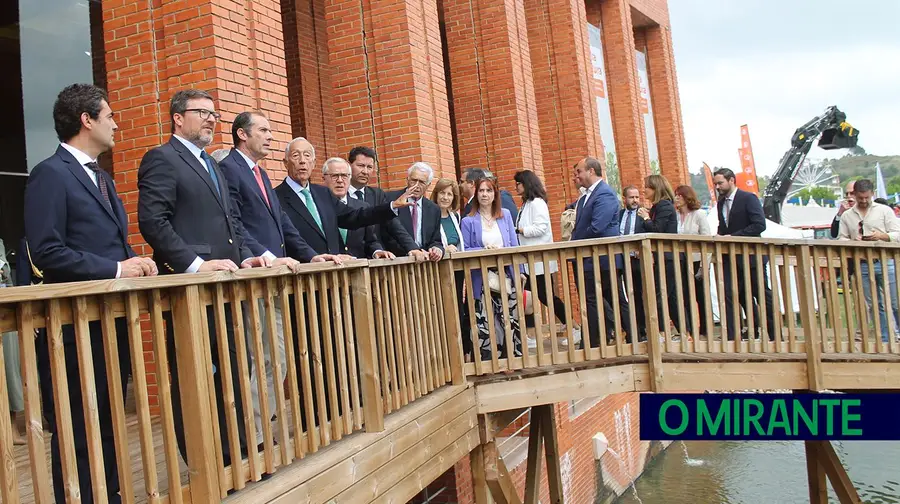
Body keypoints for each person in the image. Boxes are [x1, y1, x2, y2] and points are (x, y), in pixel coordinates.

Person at [25, 83, 158, 503]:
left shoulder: (101, 177)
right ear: (86, 120)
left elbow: (109, 244)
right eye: (110, 115)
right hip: (71, 326)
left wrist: (136, 259)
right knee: (78, 422)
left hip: (109, 319)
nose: (117, 124)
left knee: (109, 417)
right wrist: (118, 267)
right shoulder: (50, 173)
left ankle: (110, 494)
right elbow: (47, 251)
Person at [137, 88, 269, 468]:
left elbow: (232, 223)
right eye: (202, 112)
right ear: (178, 118)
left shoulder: (213, 164)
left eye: (214, 114)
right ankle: (201, 458)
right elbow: (153, 222)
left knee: (231, 370)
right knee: (193, 375)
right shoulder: (162, 158)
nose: (212, 119)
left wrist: (247, 257)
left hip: (225, 287)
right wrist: (194, 265)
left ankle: (235, 450)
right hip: (190, 288)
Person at [217, 111, 340, 449]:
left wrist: (311, 254)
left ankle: (258, 428)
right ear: (243, 135)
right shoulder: (229, 169)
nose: (270, 136)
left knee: (278, 358)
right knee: (264, 357)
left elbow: (283, 225)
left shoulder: (259, 173)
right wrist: (268, 257)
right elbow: (236, 225)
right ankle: (252, 436)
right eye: (264, 130)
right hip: (255, 277)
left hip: (276, 278)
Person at [274, 139, 412, 257]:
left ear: (314, 163)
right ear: (285, 163)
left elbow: (353, 216)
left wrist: (392, 206)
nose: (302, 161)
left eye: (307, 155)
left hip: (336, 275)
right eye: (296, 155)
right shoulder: (275, 197)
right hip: (302, 277)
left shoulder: (322, 193)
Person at [570, 156, 632, 346]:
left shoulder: (604, 193)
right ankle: (596, 339)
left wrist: (575, 242)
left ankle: (633, 334)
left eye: (579, 171)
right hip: (589, 258)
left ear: (591, 171)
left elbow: (598, 226)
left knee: (612, 298)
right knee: (594, 299)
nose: (577, 175)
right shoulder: (586, 195)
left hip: (604, 257)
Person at [460, 177, 523, 360]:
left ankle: (510, 361)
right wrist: (483, 250)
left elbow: (514, 244)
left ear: (495, 194)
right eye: (481, 191)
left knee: (509, 320)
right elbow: (465, 248)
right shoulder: (468, 221)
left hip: (506, 274)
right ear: (476, 193)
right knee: (484, 323)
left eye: (489, 190)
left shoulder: (505, 215)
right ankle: (486, 363)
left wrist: (521, 272)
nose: (485, 194)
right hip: (481, 276)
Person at [513, 170, 577, 347]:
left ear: (526, 184)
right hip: (528, 259)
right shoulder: (526, 204)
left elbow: (541, 228)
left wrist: (519, 230)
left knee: (545, 295)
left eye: (518, 183)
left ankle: (572, 326)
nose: (516, 187)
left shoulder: (537, 203)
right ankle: (526, 334)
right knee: (532, 294)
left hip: (538, 259)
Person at [714, 167, 775, 341]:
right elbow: (723, 226)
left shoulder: (748, 198)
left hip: (751, 255)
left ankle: (774, 334)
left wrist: (733, 237)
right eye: (716, 183)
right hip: (729, 257)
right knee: (730, 293)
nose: (718, 187)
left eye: (720, 183)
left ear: (731, 180)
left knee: (761, 293)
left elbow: (759, 225)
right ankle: (733, 336)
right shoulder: (720, 203)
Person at [837, 178, 900, 342]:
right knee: (873, 304)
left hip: (886, 262)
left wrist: (882, 236)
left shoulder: (884, 211)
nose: (864, 201)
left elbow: (898, 233)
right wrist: (852, 242)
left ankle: (898, 333)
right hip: (862, 264)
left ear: (872, 194)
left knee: (894, 302)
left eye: (867, 197)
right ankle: (886, 339)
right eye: (860, 198)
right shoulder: (847, 216)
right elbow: (840, 238)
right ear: (855, 195)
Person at [346, 146, 424, 260]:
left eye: (369, 167)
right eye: (361, 166)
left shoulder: (377, 195)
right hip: (347, 260)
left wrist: (412, 248)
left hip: (376, 260)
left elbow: (393, 224)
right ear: (349, 166)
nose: (365, 171)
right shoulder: (338, 194)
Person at [430, 178, 473, 359]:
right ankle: (445, 354)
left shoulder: (456, 216)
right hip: (437, 270)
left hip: (457, 270)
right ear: (436, 194)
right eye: (442, 193)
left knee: (459, 309)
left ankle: (463, 351)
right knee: (441, 310)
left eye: (449, 194)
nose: (445, 197)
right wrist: (443, 248)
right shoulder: (430, 214)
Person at [323, 156, 394, 259]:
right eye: (334, 176)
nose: (340, 180)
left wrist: (377, 251)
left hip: (359, 269)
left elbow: (371, 241)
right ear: (324, 179)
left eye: (344, 176)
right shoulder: (317, 206)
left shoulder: (362, 206)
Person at [637, 174, 679, 334]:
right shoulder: (657, 207)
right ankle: (684, 332)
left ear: (656, 188)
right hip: (661, 257)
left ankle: (662, 333)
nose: (644, 189)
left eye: (647, 186)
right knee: (670, 297)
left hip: (666, 258)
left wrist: (646, 218)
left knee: (661, 296)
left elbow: (657, 229)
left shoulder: (665, 206)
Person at [384, 162, 445, 261]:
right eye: (414, 180)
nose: (417, 185)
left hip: (425, 264)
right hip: (396, 262)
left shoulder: (434, 209)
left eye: (421, 182)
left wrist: (437, 249)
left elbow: (436, 240)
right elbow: (386, 235)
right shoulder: (391, 199)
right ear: (407, 180)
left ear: (428, 185)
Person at [674, 184, 711, 339]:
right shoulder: (676, 216)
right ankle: (690, 329)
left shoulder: (699, 215)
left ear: (686, 197)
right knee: (684, 295)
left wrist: (704, 265)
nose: (676, 198)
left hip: (696, 260)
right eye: (675, 195)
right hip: (680, 260)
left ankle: (705, 330)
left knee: (701, 296)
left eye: (679, 195)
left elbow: (707, 240)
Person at [618, 185, 647, 338]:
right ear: (625, 199)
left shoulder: (644, 215)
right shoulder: (619, 214)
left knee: (637, 294)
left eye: (637, 197)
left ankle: (641, 330)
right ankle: (628, 329)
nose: (635, 200)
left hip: (636, 259)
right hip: (620, 258)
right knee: (621, 294)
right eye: (631, 197)